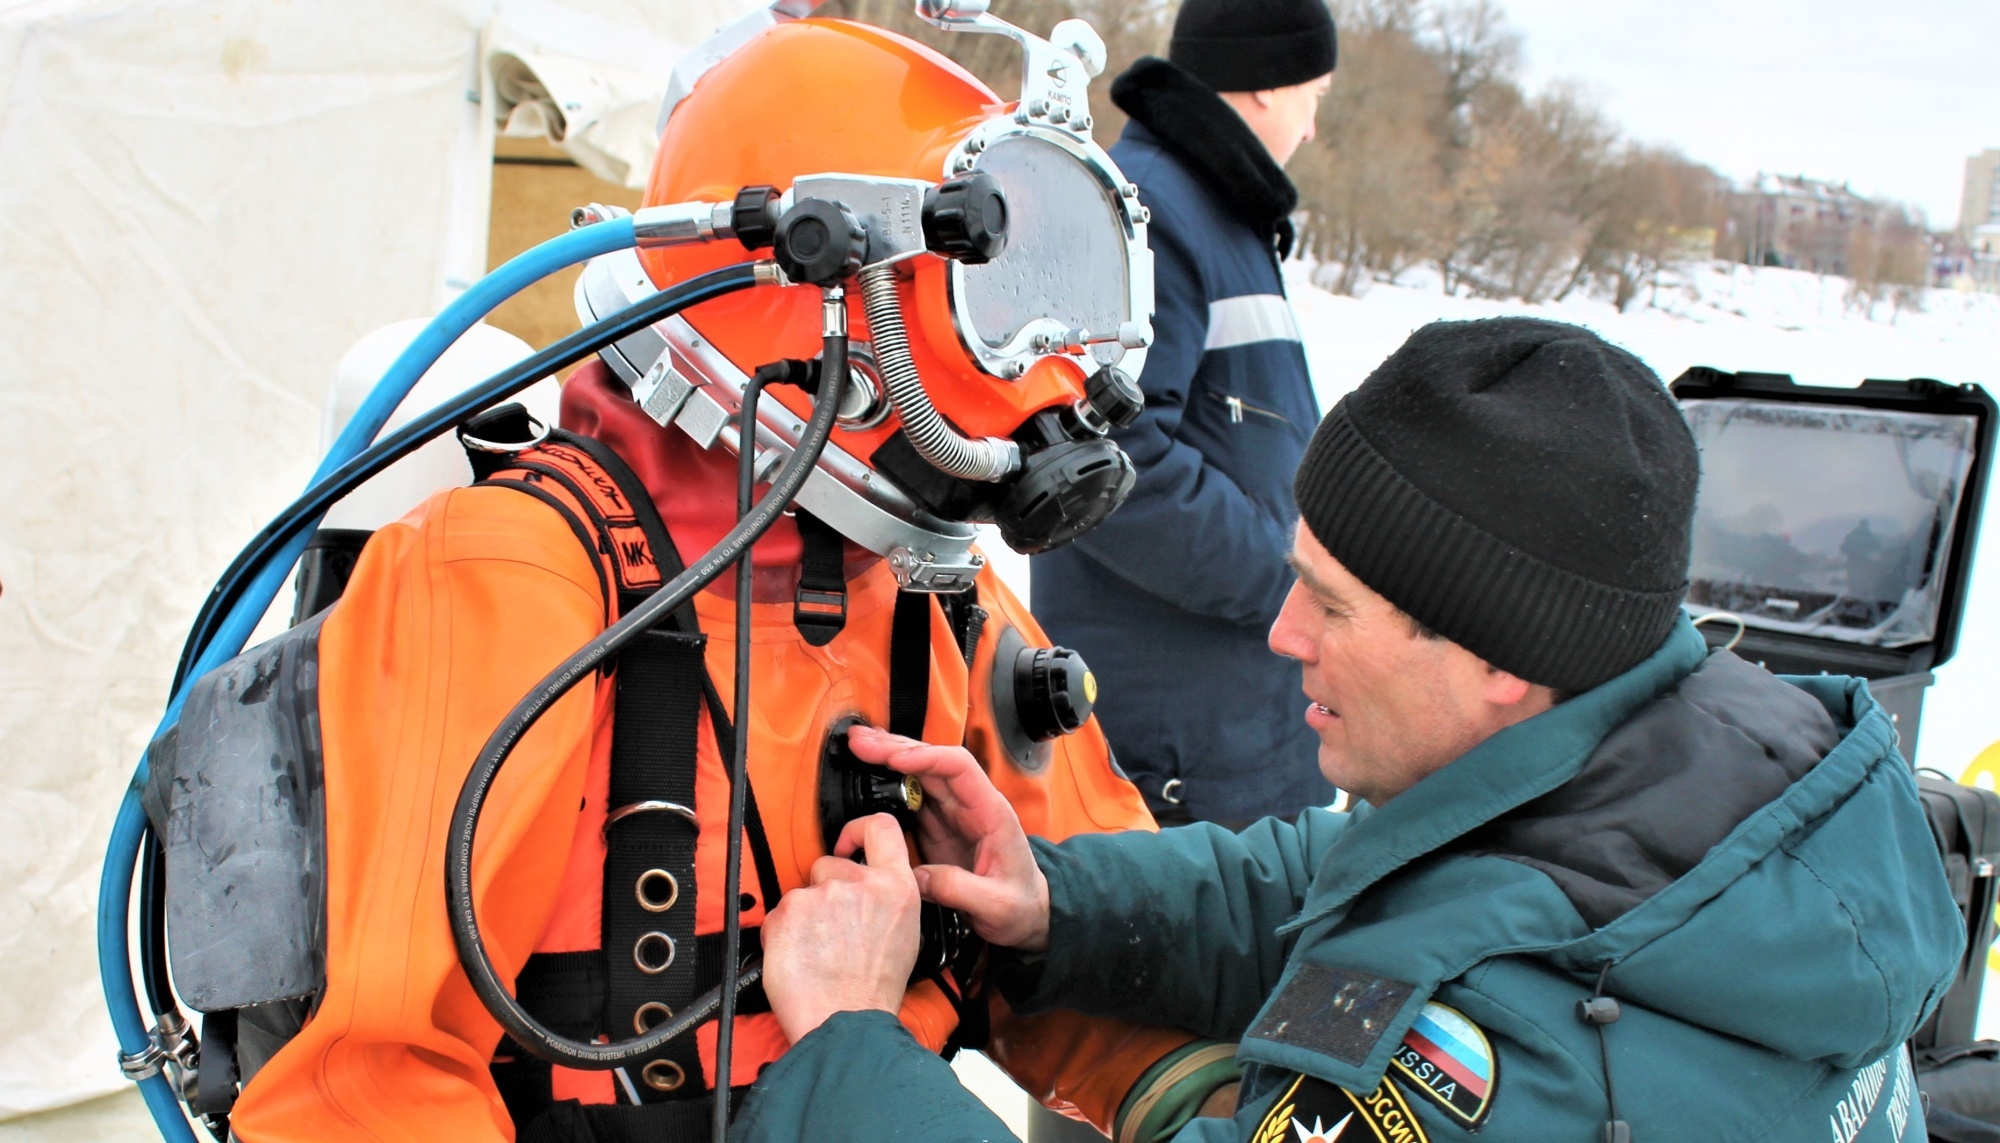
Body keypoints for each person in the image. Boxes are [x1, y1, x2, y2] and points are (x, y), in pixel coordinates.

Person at [140, 11, 1232, 1141]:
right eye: (989, 300)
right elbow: (367, 1089)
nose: (1038, 387)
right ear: (824, 295)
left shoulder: (932, 595)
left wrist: (1223, 1104)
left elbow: (1079, 939)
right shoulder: (514, 585)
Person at [748, 317, 1965, 1142]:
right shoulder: (1693, 737)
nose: (1280, 634)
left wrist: (847, 1043)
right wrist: (1058, 903)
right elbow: (1353, 877)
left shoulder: (1509, 1068)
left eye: (1329, 604)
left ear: (1496, 657)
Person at [1032, 0, 1338, 827]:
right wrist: (1290, 581)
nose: (1312, 126)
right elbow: (1105, 460)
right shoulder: (1151, 216)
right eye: (1316, 95)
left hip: (1240, 716)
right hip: (1179, 744)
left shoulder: (1223, 214)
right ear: (1269, 86)